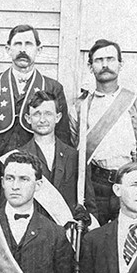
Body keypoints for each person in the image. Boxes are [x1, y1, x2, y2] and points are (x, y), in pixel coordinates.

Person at [69, 39, 137, 225]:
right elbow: (73, 145)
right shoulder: (81, 105)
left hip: (127, 179)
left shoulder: (134, 102)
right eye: (98, 60)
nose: (105, 65)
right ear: (90, 66)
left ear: (120, 64)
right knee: (95, 240)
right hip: (95, 184)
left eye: (110, 59)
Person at [0, 25, 70, 155]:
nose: (23, 49)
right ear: (8, 49)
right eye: (17, 44)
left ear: (38, 50)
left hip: (36, 165)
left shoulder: (53, 87)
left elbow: (63, 137)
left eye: (28, 44)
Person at [15, 90, 97, 231]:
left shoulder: (75, 157)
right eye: (36, 114)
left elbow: (89, 204)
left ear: (58, 117)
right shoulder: (18, 158)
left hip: (67, 236)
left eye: (48, 113)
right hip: (31, 234)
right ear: (28, 119)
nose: (42, 120)